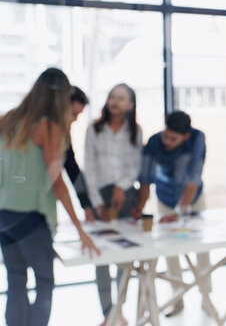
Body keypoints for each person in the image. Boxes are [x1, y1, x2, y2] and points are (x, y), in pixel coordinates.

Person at [0, 68, 99, 326]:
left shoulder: (8, 119)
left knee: (16, 281)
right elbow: (58, 182)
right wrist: (80, 230)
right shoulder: (48, 126)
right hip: (31, 220)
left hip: (5, 216)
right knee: (44, 282)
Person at [134, 110, 212, 317]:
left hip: (193, 199)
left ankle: (206, 297)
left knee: (201, 248)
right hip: (165, 200)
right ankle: (177, 299)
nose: (167, 141)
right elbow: (145, 180)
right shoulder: (153, 142)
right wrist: (138, 210)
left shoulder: (197, 138)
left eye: (173, 138)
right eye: (166, 135)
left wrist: (181, 210)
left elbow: (194, 176)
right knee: (171, 249)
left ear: (185, 136)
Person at [84, 82, 142, 326]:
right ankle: (107, 311)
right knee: (102, 255)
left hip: (126, 194)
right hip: (100, 196)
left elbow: (136, 164)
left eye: (121, 98)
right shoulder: (94, 129)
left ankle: (119, 307)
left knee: (124, 254)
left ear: (130, 104)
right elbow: (89, 167)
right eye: (111, 97)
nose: (115, 101)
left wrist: (121, 186)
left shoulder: (134, 130)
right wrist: (97, 203)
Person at [63, 86, 94, 219]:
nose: (75, 119)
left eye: (78, 114)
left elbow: (72, 168)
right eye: (73, 113)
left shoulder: (64, 135)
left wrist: (86, 205)